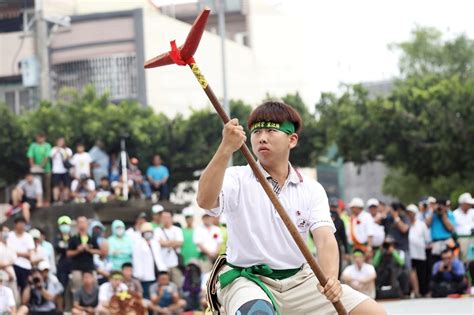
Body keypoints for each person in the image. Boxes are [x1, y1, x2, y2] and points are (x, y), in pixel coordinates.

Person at [197, 101, 384, 314]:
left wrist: (331, 278)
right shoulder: (236, 178)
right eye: (256, 131)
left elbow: (324, 239)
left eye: (270, 130)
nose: (262, 137)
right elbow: (204, 200)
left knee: (372, 312)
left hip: (299, 280)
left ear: (292, 139)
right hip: (248, 280)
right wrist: (225, 149)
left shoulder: (311, 189)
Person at [67, 216, 102, 297]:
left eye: (84, 222)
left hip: (89, 266)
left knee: (93, 286)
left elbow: (99, 251)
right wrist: (78, 250)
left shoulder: (92, 238)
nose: (82, 224)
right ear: (77, 225)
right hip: (77, 267)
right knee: (76, 288)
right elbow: (68, 253)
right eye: (80, 222)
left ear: (87, 224)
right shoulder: (73, 238)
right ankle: (77, 305)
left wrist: (89, 250)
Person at [132, 222, 167, 300]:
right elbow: (137, 260)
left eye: (150, 232)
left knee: (157, 295)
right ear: (142, 233)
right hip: (145, 275)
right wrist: (139, 274)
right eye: (146, 232)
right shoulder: (138, 244)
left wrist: (163, 270)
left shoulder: (155, 243)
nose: (148, 234)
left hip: (157, 273)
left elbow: (159, 258)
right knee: (147, 296)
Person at [406, 204, 431, 297]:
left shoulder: (421, 224)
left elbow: (427, 238)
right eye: (408, 213)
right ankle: (414, 291)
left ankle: (423, 292)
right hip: (410, 253)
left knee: (422, 273)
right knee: (411, 273)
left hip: (420, 253)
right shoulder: (406, 224)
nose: (410, 215)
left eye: (411, 213)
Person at [155, 210, 184, 287]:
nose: (166, 219)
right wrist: (173, 242)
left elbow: (180, 243)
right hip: (162, 265)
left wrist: (165, 243)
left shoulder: (177, 230)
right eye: (164, 217)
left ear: (171, 218)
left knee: (178, 285)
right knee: (164, 286)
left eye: (168, 217)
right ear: (161, 219)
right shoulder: (157, 231)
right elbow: (158, 243)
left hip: (175, 264)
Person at [8, 217, 35, 294]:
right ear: (15, 224)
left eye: (23, 223)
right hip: (12, 265)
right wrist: (21, 254)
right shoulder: (10, 236)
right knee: (13, 288)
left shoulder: (28, 237)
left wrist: (16, 253)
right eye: (19, 223)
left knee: (24, 287)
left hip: (25, 266)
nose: (21, 225)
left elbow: (30, 253)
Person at [27, 133, 52, 205]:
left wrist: (41, 166)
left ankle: (47, 201)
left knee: (46, 185)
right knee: (38, 185)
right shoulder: (33, 146)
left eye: (42, 137)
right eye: (39, 137)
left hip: (46, 169)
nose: (40, 139)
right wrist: (33, 166)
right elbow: (30, 156)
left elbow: (47, 157)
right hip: (36, 170)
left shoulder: (47, 145)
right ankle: (39, 201)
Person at [0, 228, 19, 306]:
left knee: (14, 299)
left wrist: (10, 273)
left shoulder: (11, 246)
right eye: (4, 231)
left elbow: (14, 259)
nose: (6, 233)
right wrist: (7, 271)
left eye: (7, 231)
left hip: (12, 275)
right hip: (2, 276)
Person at [50, 137, 73, 203]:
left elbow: (69, 157)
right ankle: (56, 199)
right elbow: (51, 157)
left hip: (65, 170)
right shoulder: (54, 149)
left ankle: (66, 199)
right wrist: (57, 150)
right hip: (56, 170)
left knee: (66, 185)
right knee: (56, 185)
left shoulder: (67, 150)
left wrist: (63, 151)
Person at [53, 216, 73, 290]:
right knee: (61, 288)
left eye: (66, 224)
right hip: (61, 266)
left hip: (72, 265)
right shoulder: (56, 238)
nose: (65, 226)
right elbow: (57, 247)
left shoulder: (73, 238)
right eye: (63, 224)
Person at [453, 192, 474, 261]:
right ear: (462, 204)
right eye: (468, 204)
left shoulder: (472, 212)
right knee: (464, 259)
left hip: (472, 238)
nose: (470, 205)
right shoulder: (455, 214)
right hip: (461, 239)